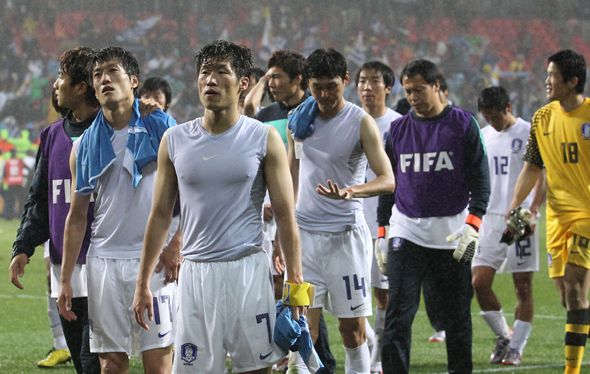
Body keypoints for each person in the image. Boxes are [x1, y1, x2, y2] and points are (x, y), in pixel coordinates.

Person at [133, 40, 305, 374]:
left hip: (248, 272)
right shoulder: (175, 140)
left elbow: (285, 213)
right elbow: (160, 215)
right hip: (195, 275)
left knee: (255, 370)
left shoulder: (264, 137)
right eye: (204, 73)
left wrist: (295, 283)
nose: (210, 80)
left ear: (243, 83)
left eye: (220, 72)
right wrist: (142, 283)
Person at [57, 46, 180, 374]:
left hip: (154, 263)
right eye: (97, 75)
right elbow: (77, 215)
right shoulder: (82, 146)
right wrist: (67, 278)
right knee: (111, 365)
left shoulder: (162, 126)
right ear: (93, 89)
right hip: (104, 263)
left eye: (112, 71)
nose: (104, 78)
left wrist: (176, 243)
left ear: (134, 80)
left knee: (159, 363)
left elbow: (191, 192)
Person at [283, 48, 395, 374]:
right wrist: (283, 233)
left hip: (345, 240)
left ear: (345, 80)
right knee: (302, 330)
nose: (324, 94)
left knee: (353, 331)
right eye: (317, 86)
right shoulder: (299, 121)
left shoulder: (361, 122)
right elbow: (291, 176)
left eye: (331, 85)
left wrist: (352, 191)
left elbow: (388, 180)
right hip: (303, 240)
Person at [377, 59, 490, 374]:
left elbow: (482, 181)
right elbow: (389, 184)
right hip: (406, 232)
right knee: (398, 314)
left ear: (438, 87)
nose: (412, 97)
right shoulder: (398, 129)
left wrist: (474, 224)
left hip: (453, 235)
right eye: (408, 91)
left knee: (456, 318)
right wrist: (383, 232)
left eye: (419, 90)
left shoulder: (464, 124)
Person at [9, 47, 101, 373]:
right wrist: (23, 246)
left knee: (97, 362)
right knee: (81, 360)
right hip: (64, 268)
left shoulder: (113, 130)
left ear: (80, 86)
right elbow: (39, 200)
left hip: (104, 263)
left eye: (62, 76)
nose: (56, 84)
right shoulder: (51, 136)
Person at [249, 49, 336, 374]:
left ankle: (317, 357)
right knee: (280, 285)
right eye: (268, 77)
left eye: (276, 77)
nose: (271, 83)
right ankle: (297, 355)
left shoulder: (315, 112)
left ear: (298, 79)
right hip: (272, 212)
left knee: (304, 289)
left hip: (309, 211)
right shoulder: (266, 114)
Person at [506, 49, 590, 374]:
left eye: (553, 75)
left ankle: (571, 371)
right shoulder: (542, 118)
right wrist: (515, 205)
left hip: (586, 216)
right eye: (547, 74)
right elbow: (531, 168)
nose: (547, 81)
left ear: (572, 81)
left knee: (573, 283)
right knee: (569, 300)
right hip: (556, 219)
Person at [473, 86, 546, 366]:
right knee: (479, 282)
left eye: (496, 117)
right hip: (490, 218)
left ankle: (516, 347)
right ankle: (504, 335)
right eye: (487, 117)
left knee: (523, 288)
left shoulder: (529, 132)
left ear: (509, 107)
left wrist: (534, 210)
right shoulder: (483, 134)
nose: (493, 122)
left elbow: (541, 174)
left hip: (519, 220)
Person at [355, 60, 401, 374]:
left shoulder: (399, 125)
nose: (367, 87)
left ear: (387, 87)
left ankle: (378, 358)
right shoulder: (349, 120)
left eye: (374, 81)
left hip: (389, 223)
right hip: (351, 222)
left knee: (382, 293)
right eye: (362, 81)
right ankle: (373, 342)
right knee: (346, 297)